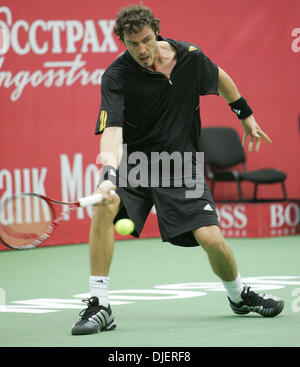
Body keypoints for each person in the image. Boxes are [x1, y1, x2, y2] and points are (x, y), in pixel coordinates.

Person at [71, 4, 284, 335]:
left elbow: (220, 77)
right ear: (122, 42)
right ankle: (100, 305)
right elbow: (112, 131)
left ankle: (239, 295)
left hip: (181, 166)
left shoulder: (189, 57)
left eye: (145, 40)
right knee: (105, 206)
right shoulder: (115, 77)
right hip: (137, 166)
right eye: (132, 43)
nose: (141, 50)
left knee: (212, 240)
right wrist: (108, 175)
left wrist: (245, 115)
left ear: (156, 31)